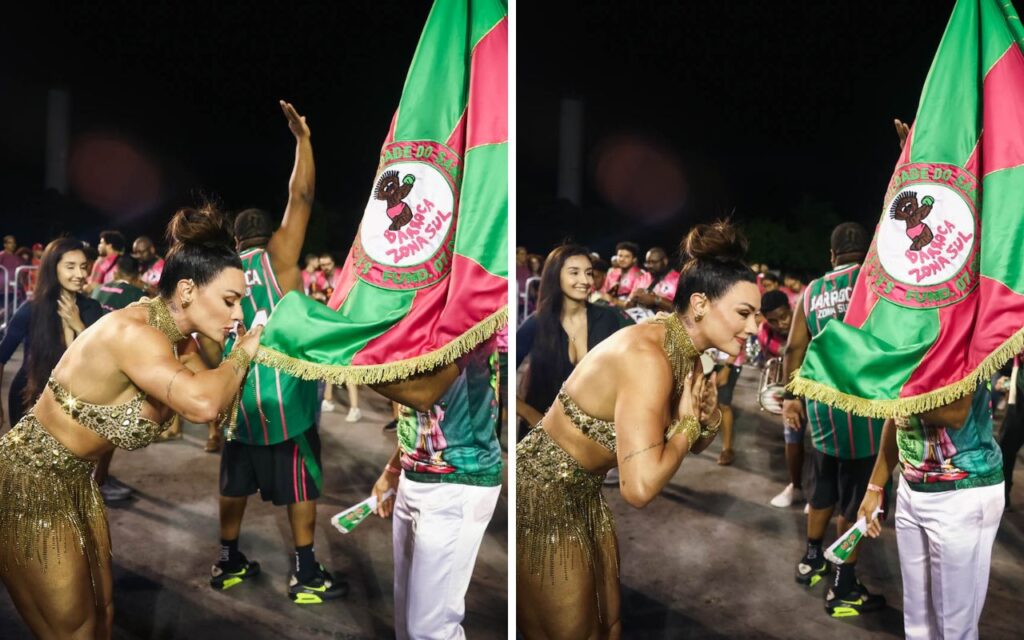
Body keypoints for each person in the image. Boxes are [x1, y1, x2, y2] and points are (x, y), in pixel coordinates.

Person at [0, 206, 259, 639]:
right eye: (229, 301)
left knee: (102, 616)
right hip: (31, 484)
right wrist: (246, 350)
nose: (236, 315)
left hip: (76, 483)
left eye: (241, 304)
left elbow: (216, 390)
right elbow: (202, 403)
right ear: (189, 291)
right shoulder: (134, 332)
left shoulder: (179, 340)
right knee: (73, 631)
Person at [516, 221, 760, 638]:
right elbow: (640, 487)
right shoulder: (649, 356)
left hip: (582, 493)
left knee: (609, 626)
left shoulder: (690, 354)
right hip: (543, 497)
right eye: (744, 313)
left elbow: (694, 443)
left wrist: (706, 414)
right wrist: (686, 423)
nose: (754, 328)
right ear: (700, 304)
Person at [210, 101, 346, 605]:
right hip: (286, 401)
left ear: (235, 239)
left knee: (234, 481)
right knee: (301, 485)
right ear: (268, 235)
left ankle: (227, 561)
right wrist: (303, 141)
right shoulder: (279, 260)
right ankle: (306, 574)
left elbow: (205, 343)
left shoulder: (217, 276)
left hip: (237, 398)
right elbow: (302, 196)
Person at [780, 222, 885, 616]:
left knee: (823, 483)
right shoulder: (877, 282)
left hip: (823, 407)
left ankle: (812, 559)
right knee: (857, 499)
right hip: (866, 407)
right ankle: (843, 586)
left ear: (831, 256)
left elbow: (794, 347)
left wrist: (792, 397)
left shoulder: (812, 291)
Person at [371, 336, 503, 640]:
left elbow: (422, 395)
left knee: (431, 629)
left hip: (459, 482)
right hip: (414, 475)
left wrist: (342, 363)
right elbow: (418, 416)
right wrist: (393, 468)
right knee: (406, 617)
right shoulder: (414, 311)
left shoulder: (469, 310)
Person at [858, 385, 1003, 639]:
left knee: (955, 629)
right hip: (912, 485)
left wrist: (891, 388)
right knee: (917, 622)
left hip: (963, 492)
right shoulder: (902, 346)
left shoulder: (959, 343)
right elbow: (896, 417)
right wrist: (875, 484)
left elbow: (955, 413)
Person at [516, 245, 633, 439]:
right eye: (574, 273)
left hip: (591, 443)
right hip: (542, 441)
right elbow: (501, 373)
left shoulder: (608, 318)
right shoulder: (537, 323)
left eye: (588, 273)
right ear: (556, 276)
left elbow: (626, 371)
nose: (585, 281)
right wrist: (530, 414)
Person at [0, 238, 104, 431]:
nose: (80, 274)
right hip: (28, 397)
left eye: (83, 266)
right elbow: (2, 355)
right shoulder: (31, 309)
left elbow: (99, 359)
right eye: (70, 267)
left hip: (75, 401)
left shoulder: (92, 308)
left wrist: (78, 326)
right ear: (53, 268)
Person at [759, 289, 803, 508]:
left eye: (784, 316)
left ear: (791, 309)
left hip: (815, 388)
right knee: (792, 439)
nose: (780, 324)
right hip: (789, 392)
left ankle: (819, 496)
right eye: (773, 320)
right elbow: (776, 358)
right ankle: (796, 487)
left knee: (820, 446)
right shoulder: (764, 332)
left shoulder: (806, 320)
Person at [625, 246, 679, 319]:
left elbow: (681, 310)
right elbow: (627, 307)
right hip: (639, 320)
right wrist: (633, 299)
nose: (650, 266)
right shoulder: (642, 278)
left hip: (665, 323)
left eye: (654, 262)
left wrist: (655, 300)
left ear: (665, 261)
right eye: (647, 262)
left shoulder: (678, 279)